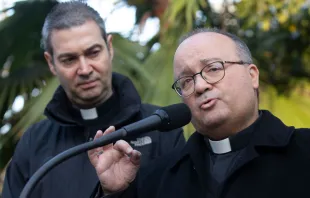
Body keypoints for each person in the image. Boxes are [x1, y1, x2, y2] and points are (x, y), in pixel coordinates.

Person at [89, 28, 310, 198]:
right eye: (186, 81)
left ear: (252, 75)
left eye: (213, 68)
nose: (201, 86)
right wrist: (114, 194)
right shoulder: (155, 178)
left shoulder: (304, 150)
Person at [2, 2, 186, 198]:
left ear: (109, 47)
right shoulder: (34, 142)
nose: (85, 69)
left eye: (93, 53)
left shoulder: (161, 128)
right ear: (51, 63)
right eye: (69, 59)